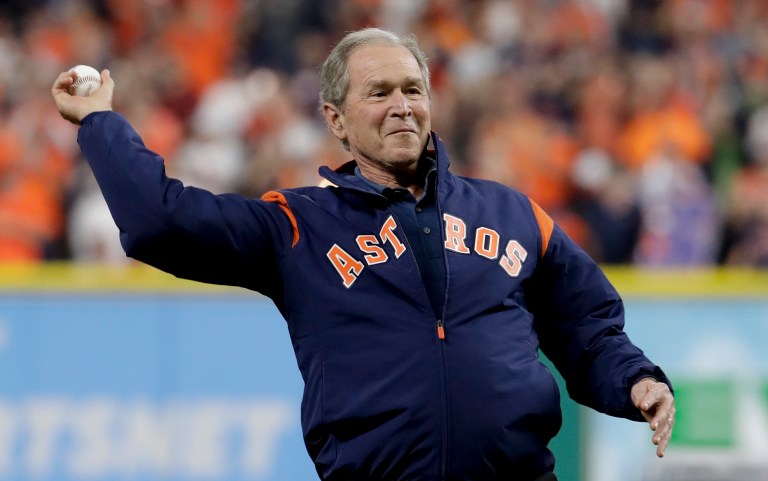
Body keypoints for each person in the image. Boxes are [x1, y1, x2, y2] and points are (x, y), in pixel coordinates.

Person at [52, 27, 675, 481]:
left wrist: (636, 380)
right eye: (379, 93)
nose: (402, 105)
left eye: (413, 90)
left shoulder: (510, 214)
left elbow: (585, 325)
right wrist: (99, 123)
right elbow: (160, 223)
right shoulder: (298, 225)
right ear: (337, 118)